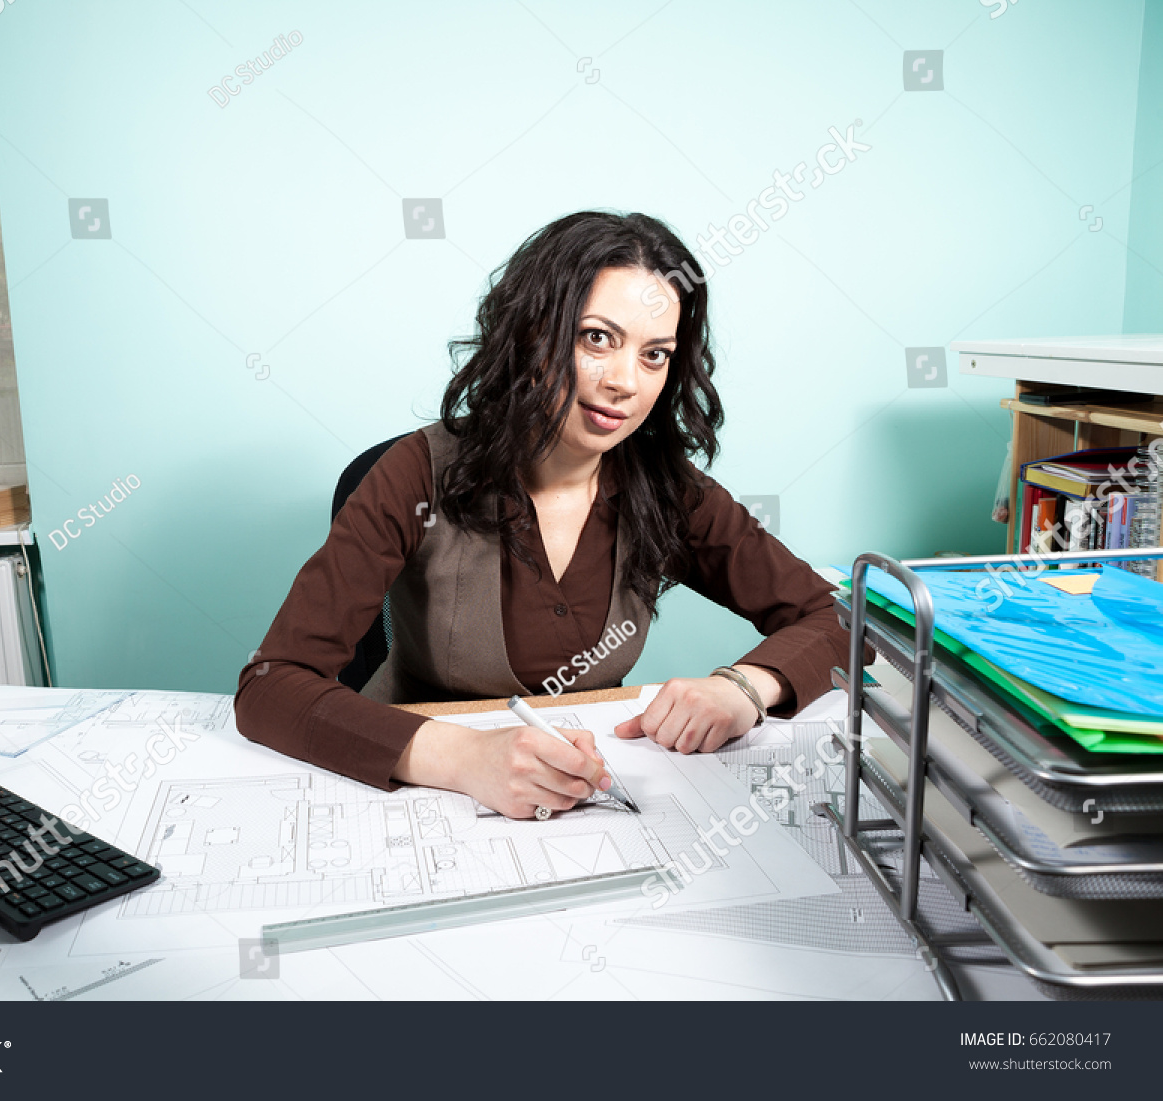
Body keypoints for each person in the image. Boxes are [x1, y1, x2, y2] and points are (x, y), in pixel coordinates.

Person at [236, 211, 853, 819]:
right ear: (532, 334)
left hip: (585, 797)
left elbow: (842, 616)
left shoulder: (669, 490)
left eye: (655, 354)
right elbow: (271, 684)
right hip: (423, 796)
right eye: (596, 339)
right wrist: (466, 759)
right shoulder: (415, 472)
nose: (624, 383)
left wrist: (745, 687)